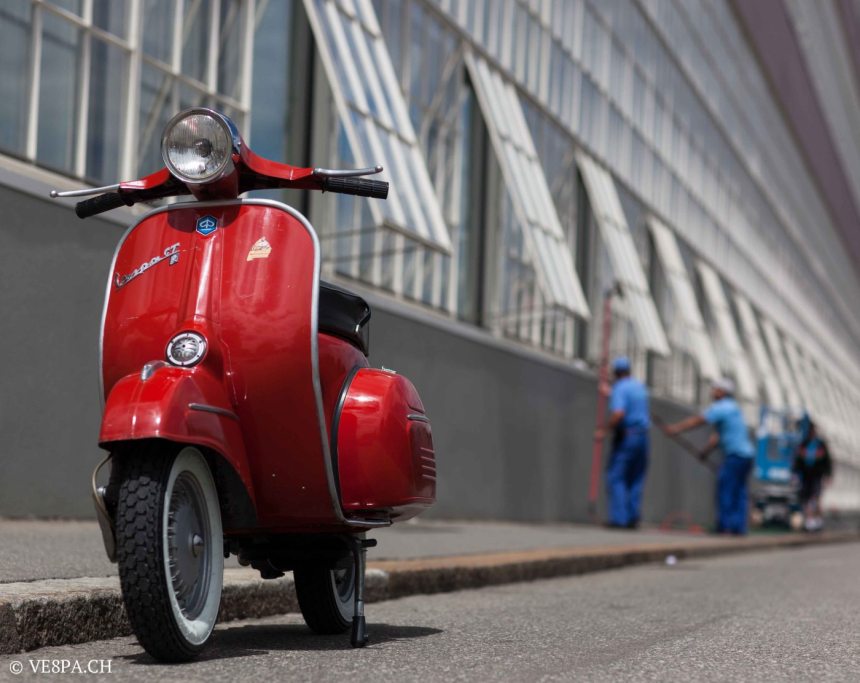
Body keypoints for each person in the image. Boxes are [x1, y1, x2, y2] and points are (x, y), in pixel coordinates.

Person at [663, 378, 754, 535]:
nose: (712, 392)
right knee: (739, 491)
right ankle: (738, 528)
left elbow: (698, 421)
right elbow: (717, 437)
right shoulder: (734, 408)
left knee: (726, 488)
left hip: (735, 455)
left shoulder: (721, 408)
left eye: (715, 389)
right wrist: (705, 452)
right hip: (746, 455)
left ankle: (725, 526)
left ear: (722, 392)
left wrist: (675, 429)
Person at [595, 356, 650, 529]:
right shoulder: (639, 387)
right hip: (643, 437)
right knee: (635, 478)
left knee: (616, 477)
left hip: (627, 436)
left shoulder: (620, 388)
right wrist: (610, 391)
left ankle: (620, 519)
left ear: (616, 372)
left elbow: (618, 413)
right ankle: (633, 517)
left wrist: (603, 430)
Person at [792, 421, 832, 532]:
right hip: (805, 476)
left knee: (815, 497)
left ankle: (816, 519)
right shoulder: (803, 444)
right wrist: (795, 474)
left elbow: (827, 461)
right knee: (805, 497)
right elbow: (797, 461)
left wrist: (828, 475)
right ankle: (809, 520)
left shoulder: (820, 445)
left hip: (817, 476)